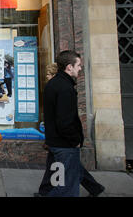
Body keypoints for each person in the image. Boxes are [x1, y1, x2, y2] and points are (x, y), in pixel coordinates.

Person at [36, 62, 105, 197]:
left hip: (62, 141)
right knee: (63, 167)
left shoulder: (62, 89)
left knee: (66, 172)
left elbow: (64, 120)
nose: (47, 78)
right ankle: (46, 190)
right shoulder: (59, 88)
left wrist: (74, 140)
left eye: (49, 74)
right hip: (59, 140)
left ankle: (47, 191)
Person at [42, 50, 88, 197]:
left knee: (58, 184)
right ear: (69, 67)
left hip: (56, 143)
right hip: (65, 146)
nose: (80, 68)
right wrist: (75, 140)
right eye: (78, 65)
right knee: (66, 188)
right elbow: (65, 121)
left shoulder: (53, 84)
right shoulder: (65, 88)